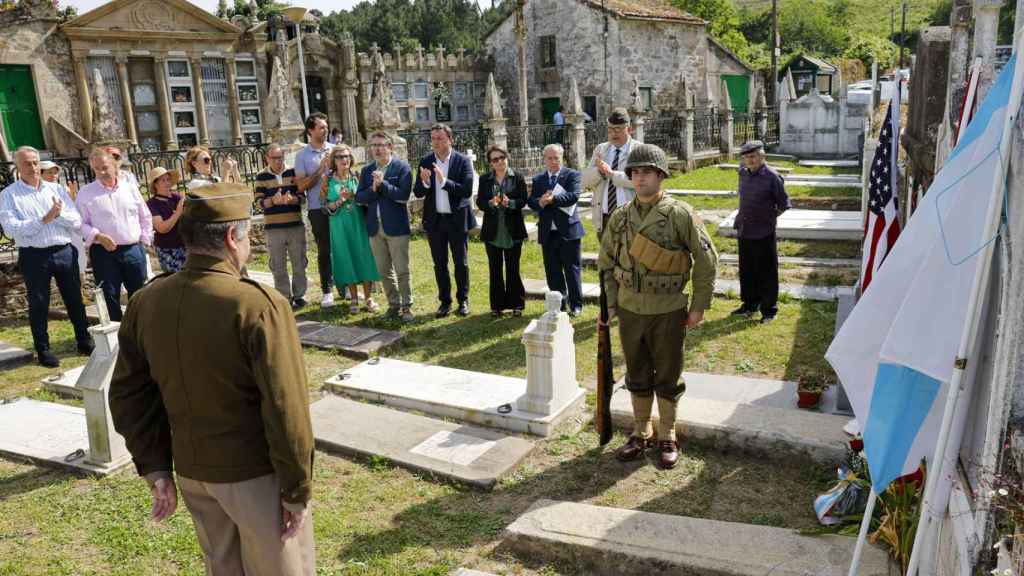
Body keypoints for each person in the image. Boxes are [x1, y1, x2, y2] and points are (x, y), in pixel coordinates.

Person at [109, 183, 315, 575]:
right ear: (231, 238)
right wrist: (296, 488)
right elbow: (286, 407)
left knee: (222, 566)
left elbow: (129, 395)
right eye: (247, 235)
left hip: (192, 472)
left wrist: (155, 466)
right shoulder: (257, 305)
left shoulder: (146, 301)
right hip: (254, 474)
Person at [597, 143, 718, 469]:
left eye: (647, 172)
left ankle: (667, 434)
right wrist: (610, 304)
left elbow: (706, 261)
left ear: (660, 175)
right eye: (635, 172)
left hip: (667, 308)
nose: (640, 178)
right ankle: (641, 431)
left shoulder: (679, 214)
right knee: (636, 371)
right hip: (630, 308)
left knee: (667, 373)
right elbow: (606, 263)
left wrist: (699, 305)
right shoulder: (621, 218)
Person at [0, 146, 93, 367]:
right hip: (34, 255)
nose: (32, 167)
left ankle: (83, 340)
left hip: (63, 250)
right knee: (39, 303)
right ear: (17, 167)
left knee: (74, 299)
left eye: (35, 162)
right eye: (26, 163)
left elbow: (76, 221)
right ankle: (43, 349)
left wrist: (56, 216)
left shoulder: (56, 189)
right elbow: (12, 229)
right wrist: (44, 219)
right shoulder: (8, 195)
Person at [76, 147, 153, 322]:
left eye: (105, 167)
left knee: (139, 294)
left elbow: (144, 215)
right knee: (110, 295)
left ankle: (141, 330)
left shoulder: (130, 188)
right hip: (104, 253)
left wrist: (145, 240)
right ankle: (118, 336)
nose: (101, 172)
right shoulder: (86, 193)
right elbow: (80, 223)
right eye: (96, 169)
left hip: (133, 249)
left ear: (114, 165)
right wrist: (98, 236)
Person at [412, 123, 476, 318]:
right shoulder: (426, 160)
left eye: (440, 138)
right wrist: (424, 181)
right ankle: (445, 302)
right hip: (435, 221)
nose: (436, 142)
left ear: (450, 140)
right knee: (439, 263)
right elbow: (418, 191)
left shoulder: (462, 161)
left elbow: (466, 190)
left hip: (456, 219)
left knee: (461, 262)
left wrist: (444, 181)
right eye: (433, 139)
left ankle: (463, 300)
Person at [356, 131, 415, 322]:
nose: (377, 149)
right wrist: (373, 189)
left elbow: (403, 195)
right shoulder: (366, 171)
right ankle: (393, 304)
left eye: (381, 145)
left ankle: (407, 306)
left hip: (396, 227)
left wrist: (383, 185)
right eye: (373, 145)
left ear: (390, 147)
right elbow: (360, 197)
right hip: (374, 227)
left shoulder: (402, 168)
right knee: (383, 270)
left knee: (401, 269)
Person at [732, 140, 790, 324]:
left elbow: (783, 204)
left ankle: (769, 310)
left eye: (754, 156)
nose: (750, 160)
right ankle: (750, 304)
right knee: (747, 270)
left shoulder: (773, 177)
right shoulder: (742, 173)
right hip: (744, 228)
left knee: (766, 272)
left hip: (764, 231)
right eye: (747, 157)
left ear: (762, 156)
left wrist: (767, 218)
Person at [321, 145, 380, 313]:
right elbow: (324, 207)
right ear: (334, 160)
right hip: (339, 224)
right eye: (340, 157)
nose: (344, 159)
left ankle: (368, 297)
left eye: (347, 156)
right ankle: (354, 298)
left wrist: (355, 197)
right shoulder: (327, 180)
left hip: (358, 222)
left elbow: (367, 198)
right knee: (347, 257)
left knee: (364, 256)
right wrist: (340, 200)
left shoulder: (358, 176)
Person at [528, 143, 585, 316]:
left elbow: (573, 196)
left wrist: (553, 199)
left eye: (556, 158)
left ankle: (576, 305)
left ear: (562, 158)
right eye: (550, 158)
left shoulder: (572, 175)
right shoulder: (539, 180)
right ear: (544, 160)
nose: (553, 161)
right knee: (552, 270)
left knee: (572, 269)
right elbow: (531, 201)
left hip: (568, 231)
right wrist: (540, 202)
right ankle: (559, 304)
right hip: (548, 232)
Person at [476, 145, 527, 317]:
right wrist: (490, 203)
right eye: (495, 159)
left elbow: (523, 200)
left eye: (502, 157)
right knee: (495, 269)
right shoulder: (485, 179)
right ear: (491, 163)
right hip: (493, 230)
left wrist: (509, 203)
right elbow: (480, 202)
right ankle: (497, 306)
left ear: (507, 157)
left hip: (513, 229)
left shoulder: (517, 177)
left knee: (513, 268)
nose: (500, 162)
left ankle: (517, 305)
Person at [255, 144, 308, 309]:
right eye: (274, 158)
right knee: (278, 265)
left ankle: (299, 295)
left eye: (280, 157)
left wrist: (294, 199)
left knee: (299, 262)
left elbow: (303, 197)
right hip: (274, 228)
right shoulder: (261, 177)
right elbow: (258, 203)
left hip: (295, 226)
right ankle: (284, 297)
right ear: (267, 158)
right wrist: (272, 201)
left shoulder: (293, 173)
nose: (278, 161)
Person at [293, 112, 336, 308]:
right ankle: (327, 290)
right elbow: (301, 186)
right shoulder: (302, 156)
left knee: (341, 247)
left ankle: (345, 286)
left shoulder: (335, 150)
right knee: (325, 249)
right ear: (310, 130)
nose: (325, 130)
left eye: (326, 127)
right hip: (318, 208)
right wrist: (320, 169)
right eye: (321, 127)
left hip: (339, 206)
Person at [587, 107, 637, 236]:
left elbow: (640, 182)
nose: (613, 134)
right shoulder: (601, 149)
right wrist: (600, 172)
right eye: (610, 130)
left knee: (628, 255)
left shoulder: (639, 150)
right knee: (606, 255)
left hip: (629, 217)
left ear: (629, 129)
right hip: (604, 217)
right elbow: (585, 180)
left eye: (618, 129)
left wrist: (612, 174)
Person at [40, 160, 86, 277]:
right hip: (53, 238)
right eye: (49, 172)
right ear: (41, 174)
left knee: (79, 267)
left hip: (72, 234)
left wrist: (74, 197)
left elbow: (75, 212)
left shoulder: (63, 189)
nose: (53, 175)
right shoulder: (37, 193)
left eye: (55, 173)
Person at [145, 167, 187, 273]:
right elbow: (162, 228)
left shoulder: (176, 198)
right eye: (163, 180)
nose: (167, 183)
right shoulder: (152, 204)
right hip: (168, 248)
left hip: (185, 245)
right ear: (155, 184)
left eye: (168, 179)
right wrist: (178, 212)